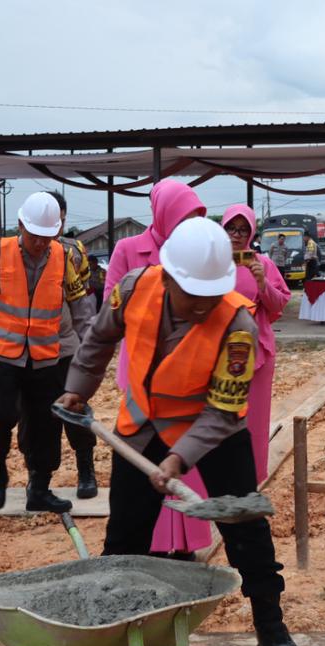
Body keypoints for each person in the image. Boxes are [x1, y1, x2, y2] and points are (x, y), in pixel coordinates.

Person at [57, 217, 301, 646]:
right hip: (142, 426)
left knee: (245, 529)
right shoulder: (132, 288)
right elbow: (99, 338)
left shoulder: (239, 324)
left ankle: (271, 625)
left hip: (212, 432)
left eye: (213, 295)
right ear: (168, 278)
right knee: (126, 536)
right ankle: (111, 635)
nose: (205, 306)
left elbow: (223, 411)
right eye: (195, 295)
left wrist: (178, 457)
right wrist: (78, 387)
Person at [0, 192, 94, 514]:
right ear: (20, 227)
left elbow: (80, 306)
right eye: (35, 237)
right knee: (0, 416)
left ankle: (40, 488)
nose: (42, 244)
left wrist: (87, 353)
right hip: (2, 355)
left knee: (46, 424)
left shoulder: (63, 257)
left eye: (48, 237)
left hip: (46, 356)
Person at [103, 179, 210, 557]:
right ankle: (152, 546)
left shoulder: (200, 251)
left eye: (195, 218)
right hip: (142, 374)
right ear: (163, 215)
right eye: (182, 218)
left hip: (189, 373)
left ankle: (186, 545)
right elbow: (110, 307)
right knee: (144, 462)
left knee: (182, 459)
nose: (188, 226)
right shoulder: (129, 249)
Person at [222, 204, 291, 485]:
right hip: (216, 349)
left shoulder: (262, 263)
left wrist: (263, 284)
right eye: (231, 228)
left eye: (243, 229)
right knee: (220, 414)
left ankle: (252, 478)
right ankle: (220, 476)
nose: (237, 235)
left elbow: (279, 305)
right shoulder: (211, 261)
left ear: (251, 233)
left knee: (255, 419)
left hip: (257, 349)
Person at [41, 190, 98, 499]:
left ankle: (85, 471)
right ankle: (41, 477)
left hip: (66, 344)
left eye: (60, 220)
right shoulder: (16, 251)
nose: (56, 228)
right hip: (32, 349)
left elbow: (82, 295)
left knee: (75, 406)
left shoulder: (73, 250)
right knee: (37, 416)